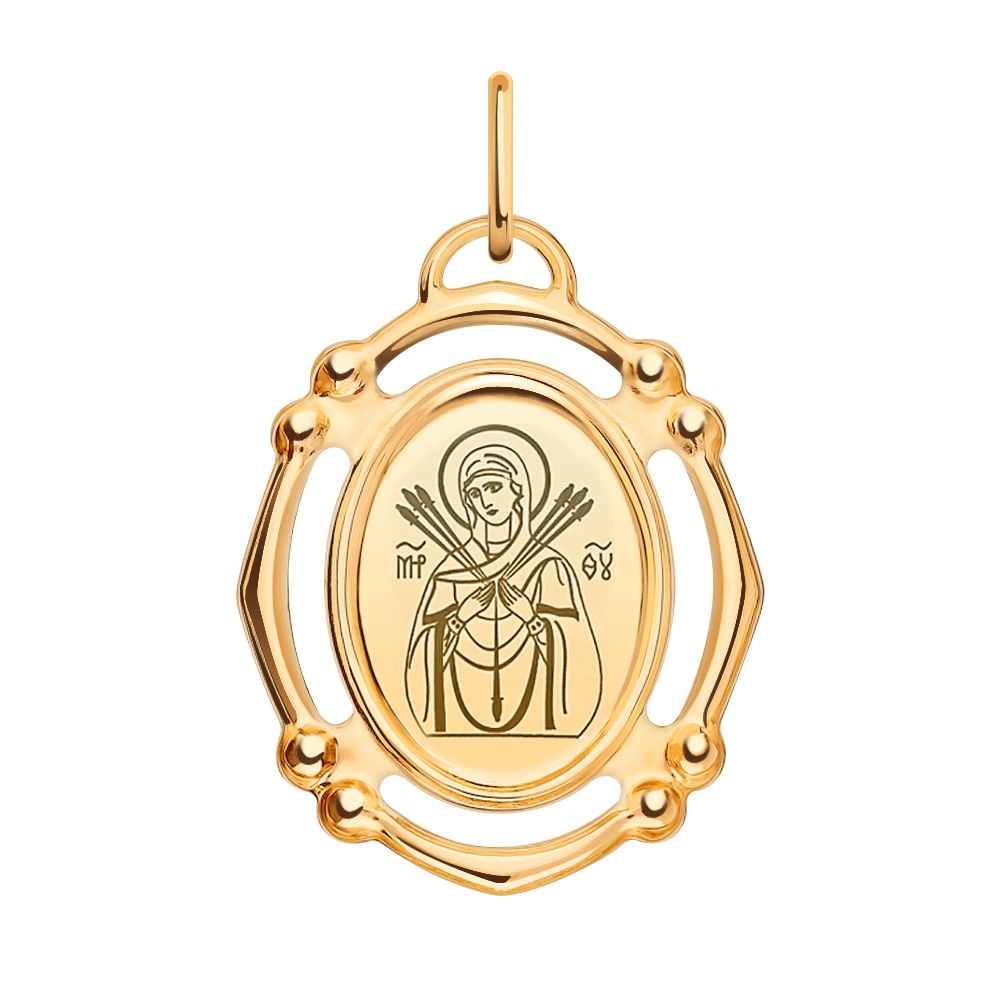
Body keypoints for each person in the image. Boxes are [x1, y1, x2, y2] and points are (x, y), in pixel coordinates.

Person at [404, 442, 602, 736]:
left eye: (494, 487)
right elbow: (420, 653)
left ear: (518, 490)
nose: (485, 501)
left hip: (538, 713)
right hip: (458, 714)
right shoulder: (450, 571)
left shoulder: (547, 565)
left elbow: (578, 650)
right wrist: (460, 618)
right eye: (475, 493)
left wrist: (531, 618)